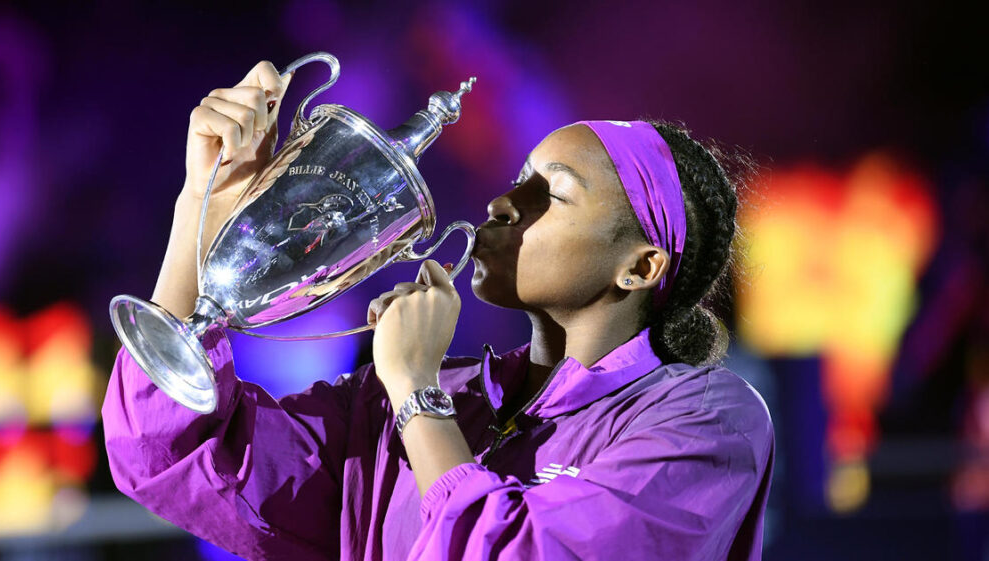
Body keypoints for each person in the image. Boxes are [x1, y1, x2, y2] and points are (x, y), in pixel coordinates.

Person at [102, 60, 774, 561]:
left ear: (640, 266)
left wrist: (419, 397)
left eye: (555, 195)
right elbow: (174, 454)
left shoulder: (706, 422)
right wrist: (206, 208)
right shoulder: (404, 400)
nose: (505, 202)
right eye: (520, 180)